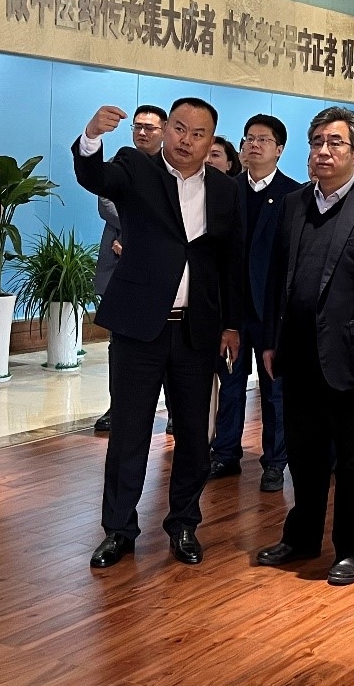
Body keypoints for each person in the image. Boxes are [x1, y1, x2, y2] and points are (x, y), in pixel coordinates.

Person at [73, 98, 244, 570]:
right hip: (139, 329)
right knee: (129, 433)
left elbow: (232, 260)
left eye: (198, 134)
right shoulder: (136, 168)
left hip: (197, 331)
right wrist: (91, 136)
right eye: (180, 129)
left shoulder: (226, 190)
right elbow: (94, 176)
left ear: (211, 141)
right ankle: (118, 530)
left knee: (193, 436)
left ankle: (184, 524)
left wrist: (232, 324)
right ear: (166, 130)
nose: (186, 140)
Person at [256, 106, 354, 586]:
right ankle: (302, 537)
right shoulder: (294, 204)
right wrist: (272, 341)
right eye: (317, 141)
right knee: (304, 455)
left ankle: (351, 549)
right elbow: (277, 279)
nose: (323, 151)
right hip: (299, 352)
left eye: (335, 142)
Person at [208, 114, 301, 492]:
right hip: (231, 310)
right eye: (249, 138)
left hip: (272, 314)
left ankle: (275, 462)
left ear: (279, 149)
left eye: (263, 139)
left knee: (274, 391)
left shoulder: (294, 195)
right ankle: (225, 453)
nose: (254, 145)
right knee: (230, 385)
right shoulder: (227, 190)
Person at [93, 104, 166, 434]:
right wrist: (138, 227)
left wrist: (138, 238)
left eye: (150, 127)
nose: (142, 132)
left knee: (166, 340)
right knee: (119, 344)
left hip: (159, 271)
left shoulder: (172, 170)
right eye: (137, 127)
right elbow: (106, 203)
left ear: (164, 131)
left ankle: (172, 408)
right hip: (117, 263)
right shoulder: (118, 164)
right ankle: (117, 406)